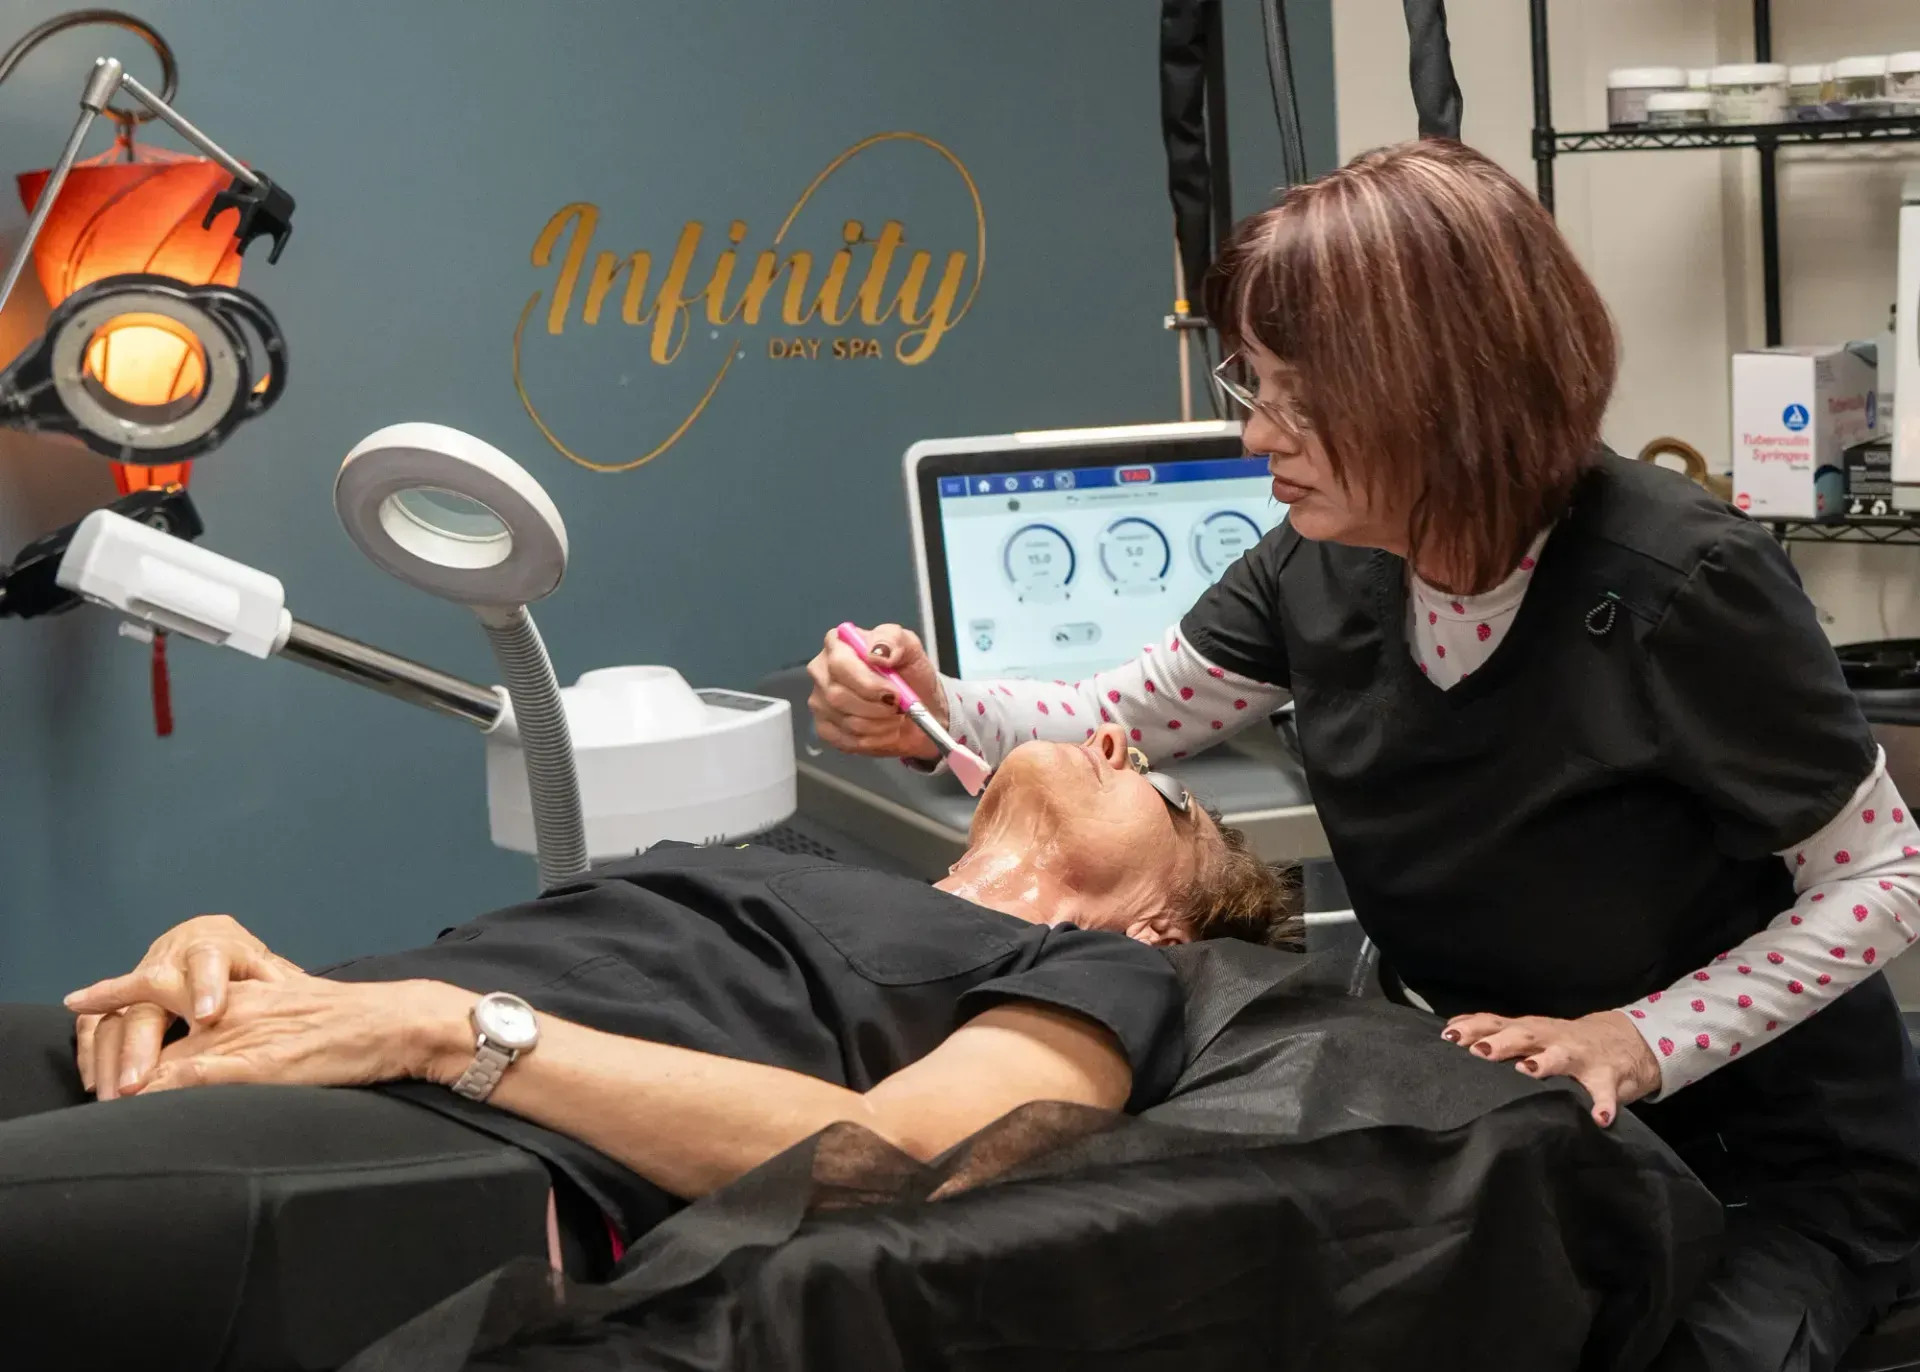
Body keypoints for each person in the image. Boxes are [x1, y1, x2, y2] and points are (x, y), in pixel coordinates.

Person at [809, 139, 1920, 1371]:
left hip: (1769, 1163)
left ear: (1438, 391)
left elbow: (1885, 876)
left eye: (1296, 398)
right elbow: (1119, 709)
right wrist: (932, 706)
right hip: (1525, 1126)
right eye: (1256, 383)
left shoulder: (1680, 582)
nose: (1253, 437)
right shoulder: (1322, 559)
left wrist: (1638, 1039)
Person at [0, 723, 1298, 1370]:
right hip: (321, 1039)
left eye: (1166, 791)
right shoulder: (805, 863)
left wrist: (448, 1031)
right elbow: (503, 969)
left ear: (1168, 920)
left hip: (467, 1134)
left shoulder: (1103, 974)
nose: (1117, 738)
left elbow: (893, 1156)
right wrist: (225, 956)